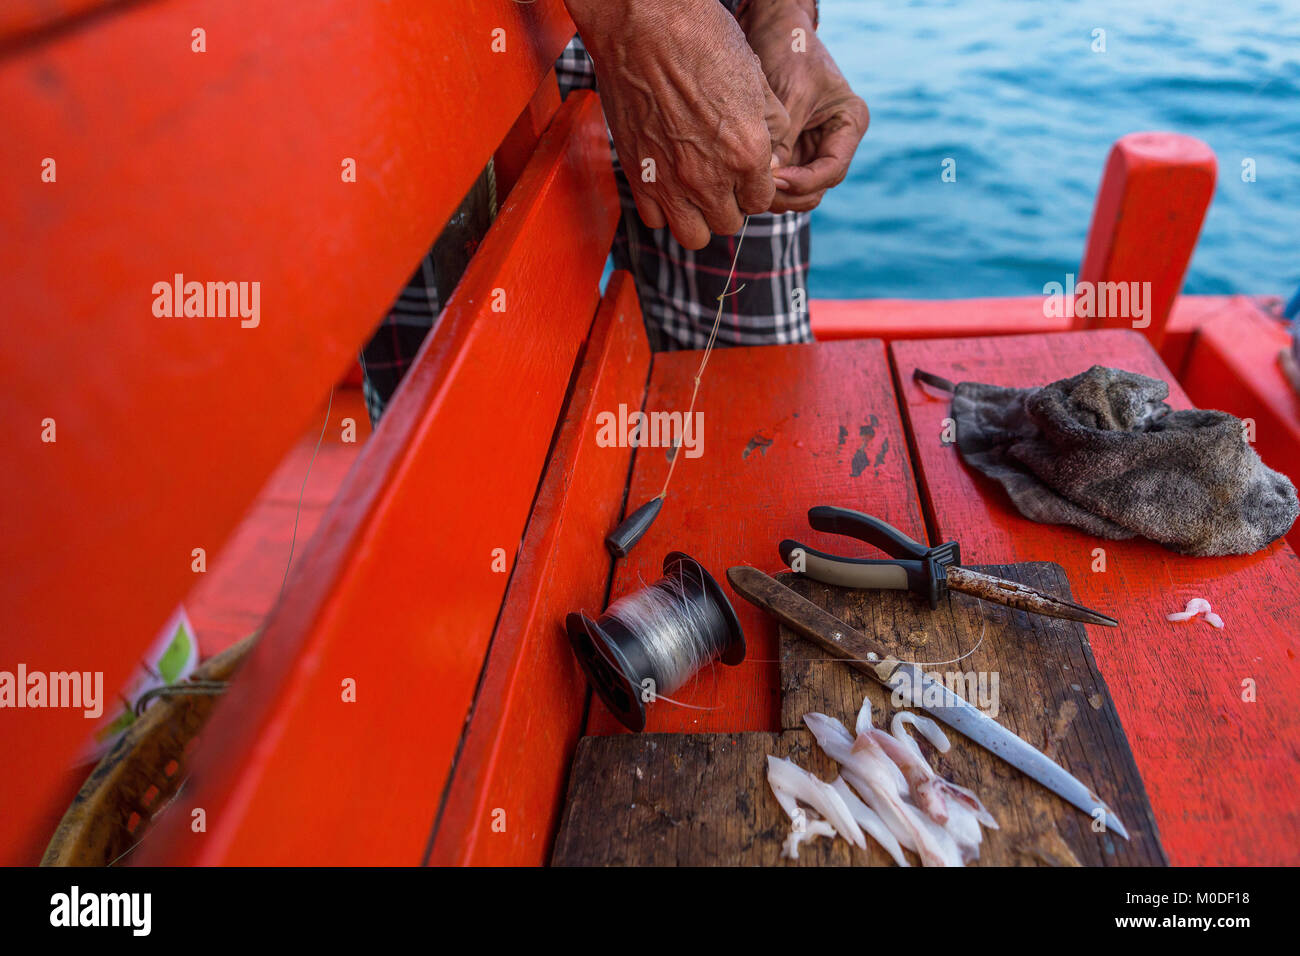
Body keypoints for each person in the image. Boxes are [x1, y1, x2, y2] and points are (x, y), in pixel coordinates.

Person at [361, 0, 869, 423]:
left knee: (752, 403)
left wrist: (783, 14)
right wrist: (639, 12)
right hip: (439, 37)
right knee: (455, 425)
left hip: (717, 30)